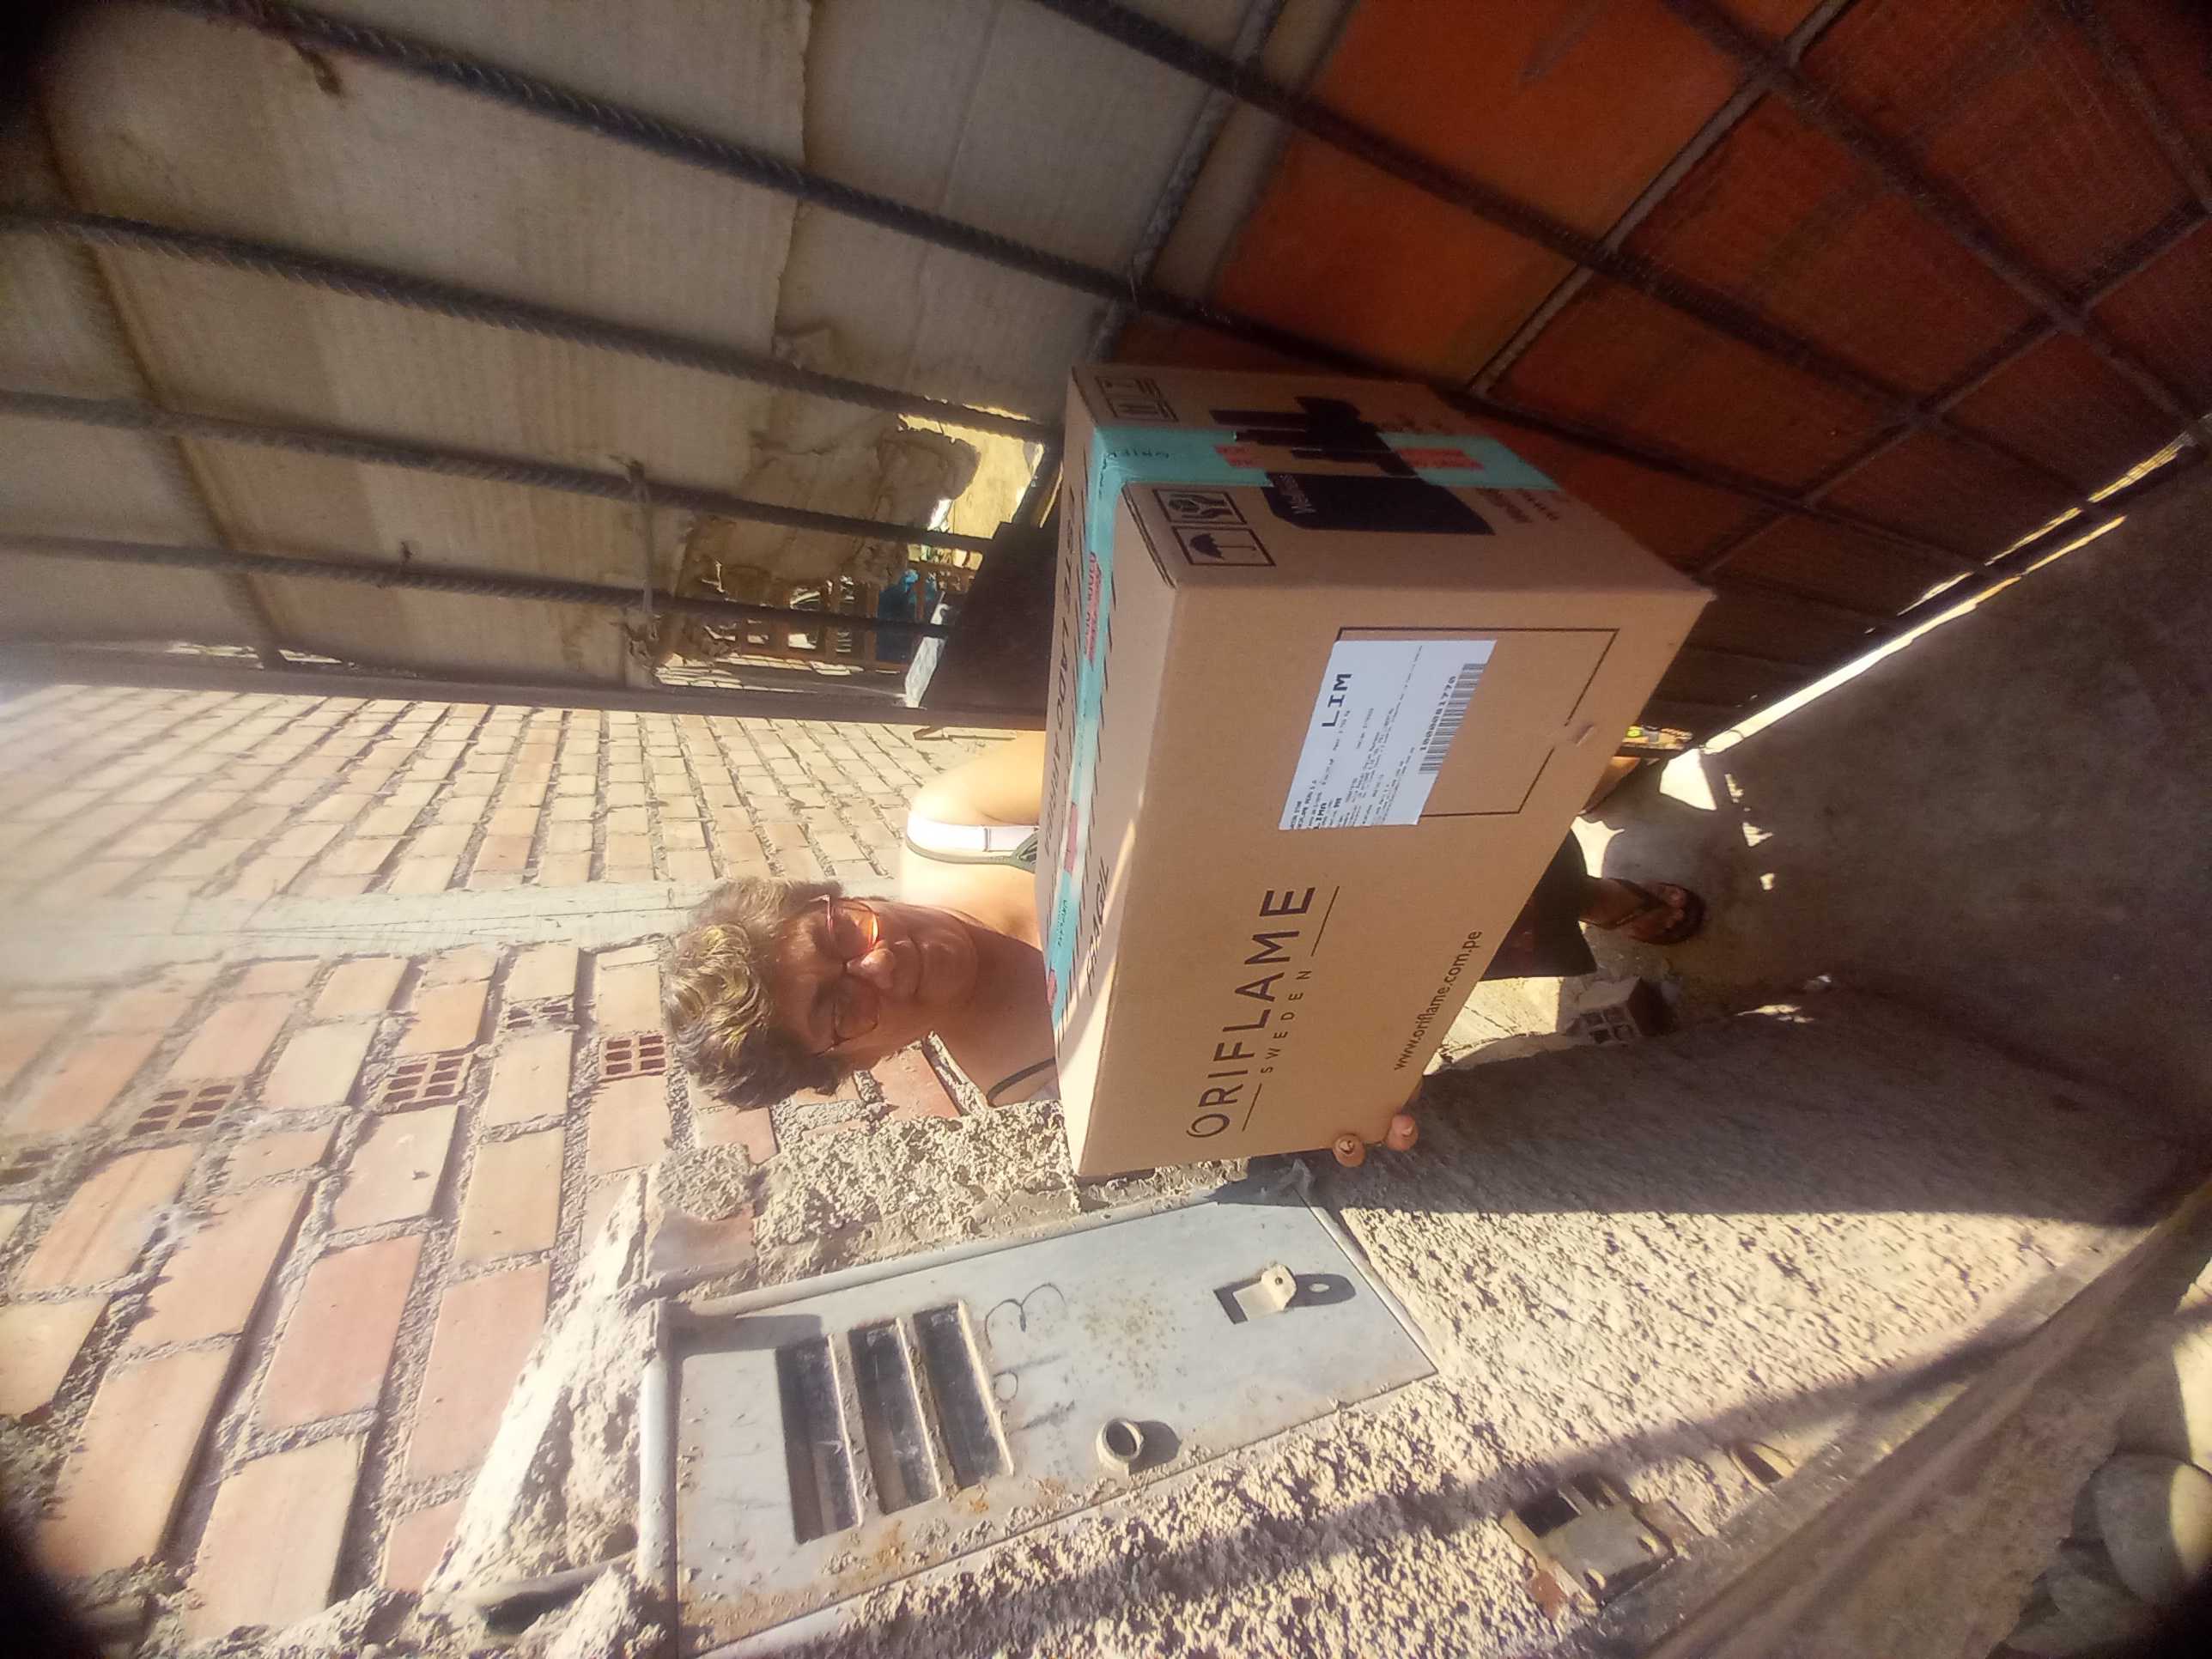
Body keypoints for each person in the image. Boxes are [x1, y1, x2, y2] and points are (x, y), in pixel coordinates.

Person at [664, 732, 1705, 1114]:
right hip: (1363, 952)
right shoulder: (1029, 1079)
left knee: (1517, 840)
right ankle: (1602, 902)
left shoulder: (959, 821)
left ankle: (1604, 877)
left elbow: (1172, 741)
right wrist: (1349, 1102)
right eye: (839, 1011)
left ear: (830, 897)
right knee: (1494, 928)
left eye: (838, 936)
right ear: (852, 1066)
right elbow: (1245, 1075)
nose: (881, 962)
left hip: (1338, 828)